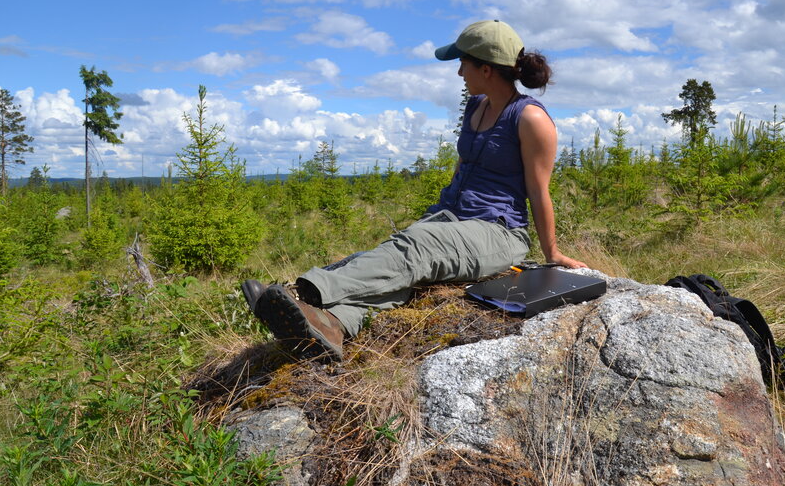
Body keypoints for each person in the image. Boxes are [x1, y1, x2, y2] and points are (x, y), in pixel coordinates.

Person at [241, 19, 587, 360]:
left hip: (498, 231)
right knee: (396, 266)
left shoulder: (530, 119)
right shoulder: (475, 107)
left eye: (463, 63)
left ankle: (302, 293)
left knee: (417, 248)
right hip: (450, 217)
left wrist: (552, 253)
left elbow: (539, 191)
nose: (459, 73)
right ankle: (333, 324)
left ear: (486, 69)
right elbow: (464, 167)